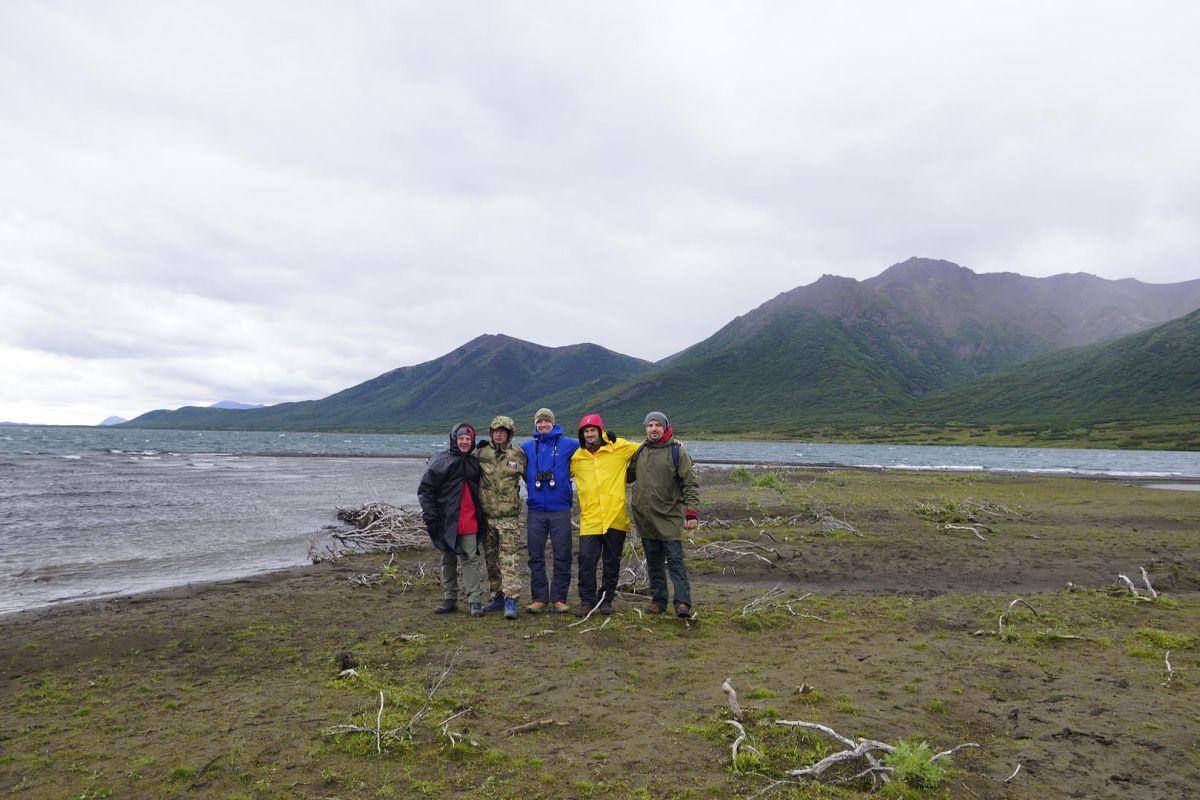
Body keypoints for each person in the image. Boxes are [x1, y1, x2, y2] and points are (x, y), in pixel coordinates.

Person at [628, 411, 700, 619]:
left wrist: (691, 513)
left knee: (675, 562)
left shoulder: (677, 451)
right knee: (653, 563)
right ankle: (658, 602)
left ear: (665, 427)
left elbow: (690, 484)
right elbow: (626, 475)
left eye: (657, 425)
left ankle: (682, 603)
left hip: (669, 516)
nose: (653, 429)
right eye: (649, 425)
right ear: (645, 429)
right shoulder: (640, 451)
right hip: (645, 518)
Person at [570, 413, 640, 615]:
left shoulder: (618, 448)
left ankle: (606, 599)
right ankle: (587, 601)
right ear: (582, 434)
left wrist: (674, 442)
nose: (589, 434)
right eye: (586, 431)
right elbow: (560, 471)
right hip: (590, 519)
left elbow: (645, 447)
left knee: (612, 562)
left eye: (593, 430)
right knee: (586, 561)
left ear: (600, 431)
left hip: (615, 517)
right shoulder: (577, 457)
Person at [417, 423, 487, 616]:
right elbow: (425, 490)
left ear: (471, 441)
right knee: (447, 559)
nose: (464, 442)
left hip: (470, 519)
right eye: (461, 438)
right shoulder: (440, 461)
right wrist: (430, 516)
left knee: (471, 559)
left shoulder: (474, 463)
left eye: (468, 439)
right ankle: (450, 599)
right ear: (455, 439)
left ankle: (474, 601)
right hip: (446, 521)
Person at [520, 408, 579, 613]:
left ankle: (558, 598)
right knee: (535, 555)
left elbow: (593, 443)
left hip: (560, 508)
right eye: (540, 422)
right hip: (536, 509)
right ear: (535, 424)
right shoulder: (527, 447)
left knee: (562, 554)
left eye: (546, 421)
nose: (543, 425)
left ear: (553, 423)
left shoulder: (569, 444)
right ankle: (539, 598)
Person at [473, 415, 527, 620]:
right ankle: (497, 596)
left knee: (509, 560)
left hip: (509, 518)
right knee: (491, 559)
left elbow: (530, 478)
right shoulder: (481, 453)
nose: (498, 434)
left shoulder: (518, 454)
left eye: (502, 431)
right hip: (487, 518)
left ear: (509, 433)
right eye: (495, 430)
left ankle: (511, 600)